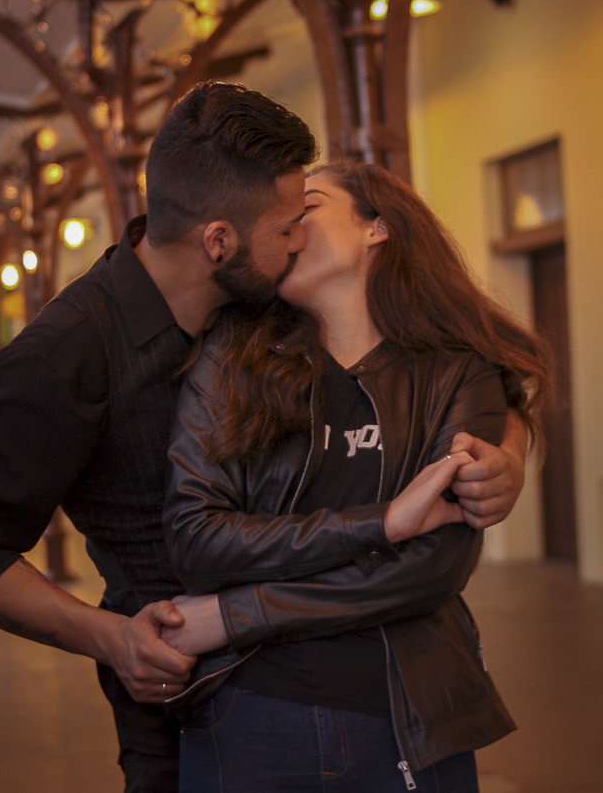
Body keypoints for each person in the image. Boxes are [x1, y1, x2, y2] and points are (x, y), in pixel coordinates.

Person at [0, 83, 527, 793]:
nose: (298, 237)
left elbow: (464, 363)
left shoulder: (267, 311)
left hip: (348, 678)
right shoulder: (67, 353)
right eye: (287, 224)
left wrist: (501, 457)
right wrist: (110, 637)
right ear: (219, 240)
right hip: (178, 687)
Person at [160, 162, 552, 792]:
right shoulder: (231, 358)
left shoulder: (458, 375)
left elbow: (435, 563)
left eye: (307, 204)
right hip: (251, 710)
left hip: (409, 716)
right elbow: (196, 539)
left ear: (378, 227)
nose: (285, 223)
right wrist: (385, 523)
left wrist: (238, 613)